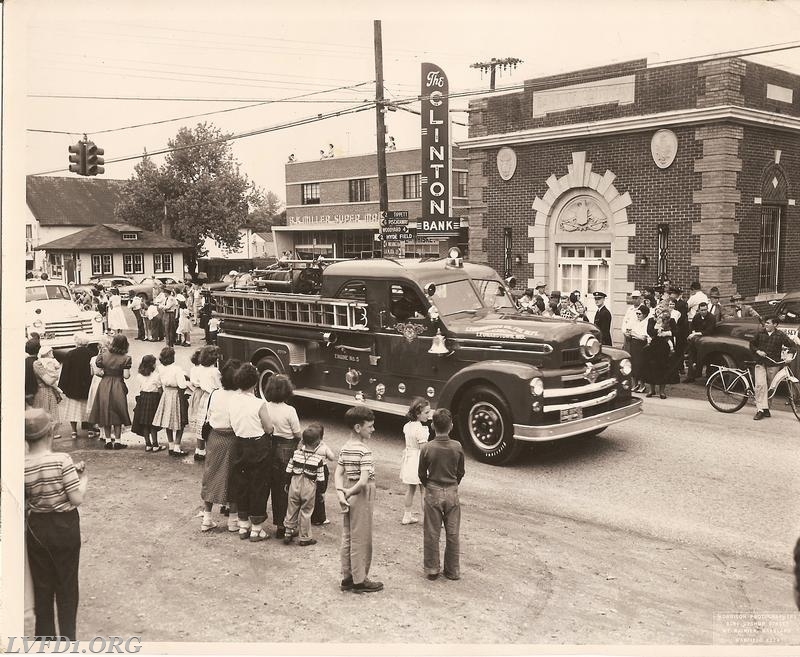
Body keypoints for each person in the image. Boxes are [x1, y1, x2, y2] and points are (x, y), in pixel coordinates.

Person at [25, 408, 87, 641]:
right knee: (67, 584)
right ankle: (68, 639)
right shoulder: (62, 460)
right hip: (65, 528)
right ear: (51, 433)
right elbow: (76, 498)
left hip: (37, 529)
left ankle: (45, 641)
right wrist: (81, 478)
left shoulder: (21, 465)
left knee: (42, 586)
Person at [335, 406, 382, 593]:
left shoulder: (345, 447)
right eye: (369, 426)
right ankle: (360, 580)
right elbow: (363, 482)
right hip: (360, 493)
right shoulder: (364, 451)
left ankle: (347, 576)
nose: (373, 429)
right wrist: (349, 492)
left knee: (348, 535)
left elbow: (338, 473)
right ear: (357, 427)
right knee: (362, 537)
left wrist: (341, 493)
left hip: (348, 489)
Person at [418, 408, 465, 582]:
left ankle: (432, 569)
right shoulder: (457, 446)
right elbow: (461, 471)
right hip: (452, 491)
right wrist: (453, 484)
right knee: (452, 533)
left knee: (431, 531)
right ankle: (452, 570)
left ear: (432, 426)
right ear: (451, 426)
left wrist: (430, 485)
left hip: (433, 490)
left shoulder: (427, 448)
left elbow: (421, 473)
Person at [229, 363, 274, 541]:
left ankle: (243, 524)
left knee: (241, 484)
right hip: (258, 445)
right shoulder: (259, 403)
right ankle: (256, 527)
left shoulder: (232, 399)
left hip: (239, 443)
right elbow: (269, 427)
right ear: (255, 383)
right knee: (258, 485)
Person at [200, 359, 243, 533]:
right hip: (233, 438)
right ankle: (233, 520)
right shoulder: (240, 398)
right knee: (234, 477)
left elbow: (208, 416)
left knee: (211, 475)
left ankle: (207, 517)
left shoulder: (214, 394)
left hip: (215, 437)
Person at [264, 374, 302, 539]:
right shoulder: (289, 410)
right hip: (287, 448)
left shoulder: (264, 407)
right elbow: (297, 433)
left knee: (271, 484)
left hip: (269, 446)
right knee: (285, 487)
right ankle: (284, 525)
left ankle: (271, 521)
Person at [282, 424, 327, 546]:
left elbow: (288, 469)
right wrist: (321, 492)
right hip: (309, 485)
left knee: (292, 508)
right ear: (318, 443)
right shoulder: (318, 459)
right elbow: (321, 477)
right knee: (306, 511)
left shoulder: (295, 453)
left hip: (295, 482)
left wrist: (287, 482)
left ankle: (288, 532)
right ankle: (305, 537)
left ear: (302, 440)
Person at [87, 334, 132, 450]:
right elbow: (126, 376)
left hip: (105, 384)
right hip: (118, 385)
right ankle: (117, 441)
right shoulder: (126, 358)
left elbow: (97, 371)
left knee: (105, 411)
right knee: (117, 411)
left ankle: (107, 440)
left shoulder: (103, 356)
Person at [749, 316, 796, 420]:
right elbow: (752, 344)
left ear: (775, 325)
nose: (766, 325)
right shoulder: (760, 333)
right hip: (760, 362)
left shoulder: (780, 335)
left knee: (771, 387)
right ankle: (760, 410)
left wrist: (790, 355)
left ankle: (766, 408)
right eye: (765, 323)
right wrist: (758, 351)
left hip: (774, 364)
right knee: (761, 385)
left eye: (768, 323)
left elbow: (792, 345)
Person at [400, 397, 433, 525]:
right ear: (417, 413)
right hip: (419, 461)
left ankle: (406, 515)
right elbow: (423, 449)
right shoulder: (420, 429)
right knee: (424, 490)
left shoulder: (407, 426)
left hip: (409, 459)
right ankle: (429, 519)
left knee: (411, 489)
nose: (428, 415)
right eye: (426, 413)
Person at [152, 347, 190, 455]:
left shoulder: (160, 368)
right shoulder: (177, 369)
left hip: (166, 393)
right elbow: (182, 385)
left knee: (168, 421)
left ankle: (171, 445)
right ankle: (177, 446)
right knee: (180, 420)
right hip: (176, 394)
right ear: (172, 357)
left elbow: (158, 382)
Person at [188, 346, 221, 462]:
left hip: (204, 397)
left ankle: (199, 449)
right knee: (210, 424)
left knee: (201, 423)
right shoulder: (215, 371)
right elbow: (219, 386)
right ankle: (209, 450)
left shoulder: (201, 369)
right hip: (213, 397)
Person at [58, 333, 94, 440]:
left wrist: (63, 387)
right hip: (87, 387)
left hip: (73, 387)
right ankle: (90, 430)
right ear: (87, 343)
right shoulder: (91, 354)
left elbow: (65, 372)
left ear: (76, 342)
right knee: (88, 409)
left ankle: (74, 431)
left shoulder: (70, 354)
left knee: (72, 411)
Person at [642, 308, 680, 399]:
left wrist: (667, 333)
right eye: (657, 310)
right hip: (653, 346)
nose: (659, 312)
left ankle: (662, 392)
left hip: (664, 348)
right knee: (651, 368)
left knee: (662, 368)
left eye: (660, 310)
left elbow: (676, 332)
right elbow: (649, 331)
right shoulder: (651, 320)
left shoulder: (671, 320)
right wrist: (657, 331)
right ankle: (652, 390)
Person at [131, 354, 165, 452]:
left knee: (145, 423)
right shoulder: (156, 375)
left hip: (143, 398)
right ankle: (155, 444)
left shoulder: (139, 375)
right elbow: (160, 390)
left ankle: (148, 444)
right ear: (152, 365)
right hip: (154, 399)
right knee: (153, 423)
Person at [683, 301, 717, 382]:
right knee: (692, 356)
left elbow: (709, 331)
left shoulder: (711, 318)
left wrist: (696, 333)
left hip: (708, 340)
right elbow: (692, 327)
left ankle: (709, 376)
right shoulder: (696, 317)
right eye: (702, 310)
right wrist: (693, 332)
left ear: (707, 309)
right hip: (697, 340)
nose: (703, 312)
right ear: (698, 310)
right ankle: (691, 376)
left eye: (705, 310)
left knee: (707, 358)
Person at [310, 423, 336, 527]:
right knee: (320, 494)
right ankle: (320, 518)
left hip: (310, 468)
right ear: (322, 436)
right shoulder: (324, 447)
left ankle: (309, 515)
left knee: (310, 493)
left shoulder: (306, 445)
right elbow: (332, 457)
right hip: (321, 470)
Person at [32, 346, 62, 422]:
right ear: (48, 353)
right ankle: (48, 432)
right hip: (44, 390)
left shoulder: (41, 362)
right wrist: (55, 375)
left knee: (52, 414)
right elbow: (49, 381)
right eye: (51, 352)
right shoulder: (38, 364)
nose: (53, 353)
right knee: (47, 414)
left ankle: (51, 433)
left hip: (49, 389)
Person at [627, 305, 650, 393]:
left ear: (645, 314)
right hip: (633, 344)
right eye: (637, 313)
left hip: (641, 345)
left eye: (639, 314)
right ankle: (634, 384)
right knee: (633, 364)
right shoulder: (635, 322)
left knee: (640, 365)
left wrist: (633, 333)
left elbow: (643, 337)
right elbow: (630, 331)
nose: (638, 315)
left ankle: (642, 385)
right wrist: (630, 333)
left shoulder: (646, 323)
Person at [25, 336, 42, 407]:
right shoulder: (38, 362)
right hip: (36, 393)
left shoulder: (24, 362)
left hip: (27, 392)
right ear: (39, 349)